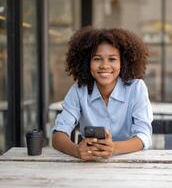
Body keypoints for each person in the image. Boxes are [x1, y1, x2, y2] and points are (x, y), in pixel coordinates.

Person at [51, 27, 153, 161]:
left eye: (112, 59)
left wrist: (114, 148)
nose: (104, 65)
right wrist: (77, 151)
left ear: (123, 62)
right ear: (87, 62)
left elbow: (144, 136)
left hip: (129, 163)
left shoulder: (136, 89)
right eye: (97, 59)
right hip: (89, 166)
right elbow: (58, 135)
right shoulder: (78, 91)